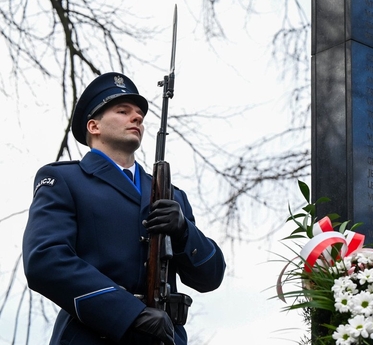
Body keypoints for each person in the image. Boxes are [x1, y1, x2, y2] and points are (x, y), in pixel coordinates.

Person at [22, 72, 226, 345]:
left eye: (140, 114)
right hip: (92, 336)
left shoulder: (171, 196)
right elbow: (45, 261)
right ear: (94, 126)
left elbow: (210, 276)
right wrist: (130, 314)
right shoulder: (64, 180)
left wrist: (183, 232)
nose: (137, 118)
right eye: (123, 111)